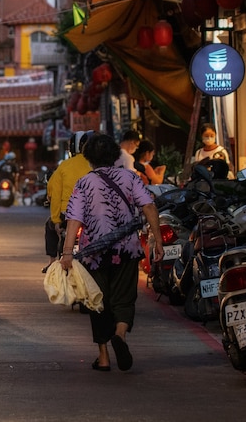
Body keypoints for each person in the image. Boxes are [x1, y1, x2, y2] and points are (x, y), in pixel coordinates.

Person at [60, 134, 163, 372]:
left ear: (88, 157)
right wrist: (157, 241)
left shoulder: (84, 183)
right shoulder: (130, 177)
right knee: (124, 298)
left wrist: (67, 253)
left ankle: (104, 357)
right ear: (116, 154)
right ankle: (120, 334)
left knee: (98, 302)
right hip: (126, 249)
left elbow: (73, 220)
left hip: (94, 253)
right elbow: (148, 206)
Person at [43, 130, 93, 274]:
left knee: (49, 225)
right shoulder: (101, 166)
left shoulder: (65, 165)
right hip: (95, 216)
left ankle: (52, 263)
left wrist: (56, 220)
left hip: (67, 214)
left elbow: (54, 193)